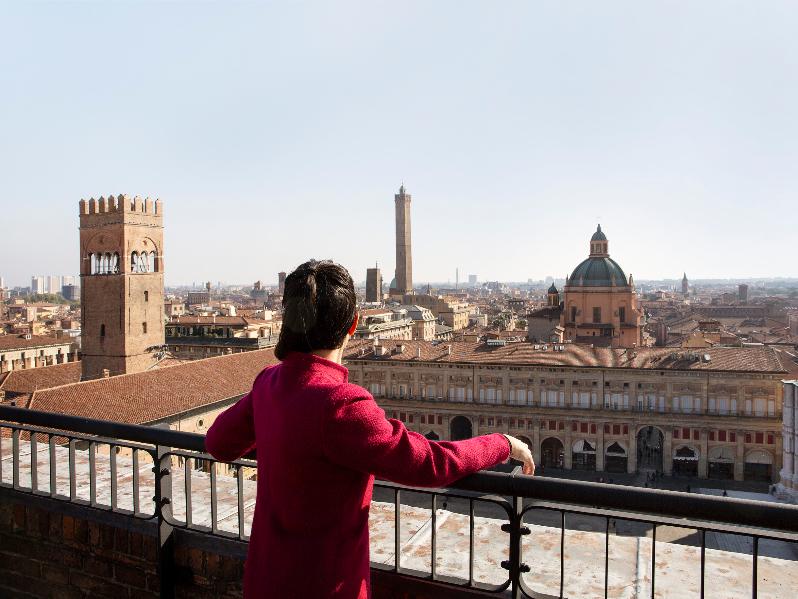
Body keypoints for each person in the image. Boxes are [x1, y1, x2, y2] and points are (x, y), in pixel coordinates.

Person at [205, 260, 535, 599]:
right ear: (353, 326)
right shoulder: (340, 402)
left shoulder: (268, 383)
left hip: (264, 582)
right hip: (326, 587)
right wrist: (502, 443)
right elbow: (428, 463)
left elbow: (218, 443)